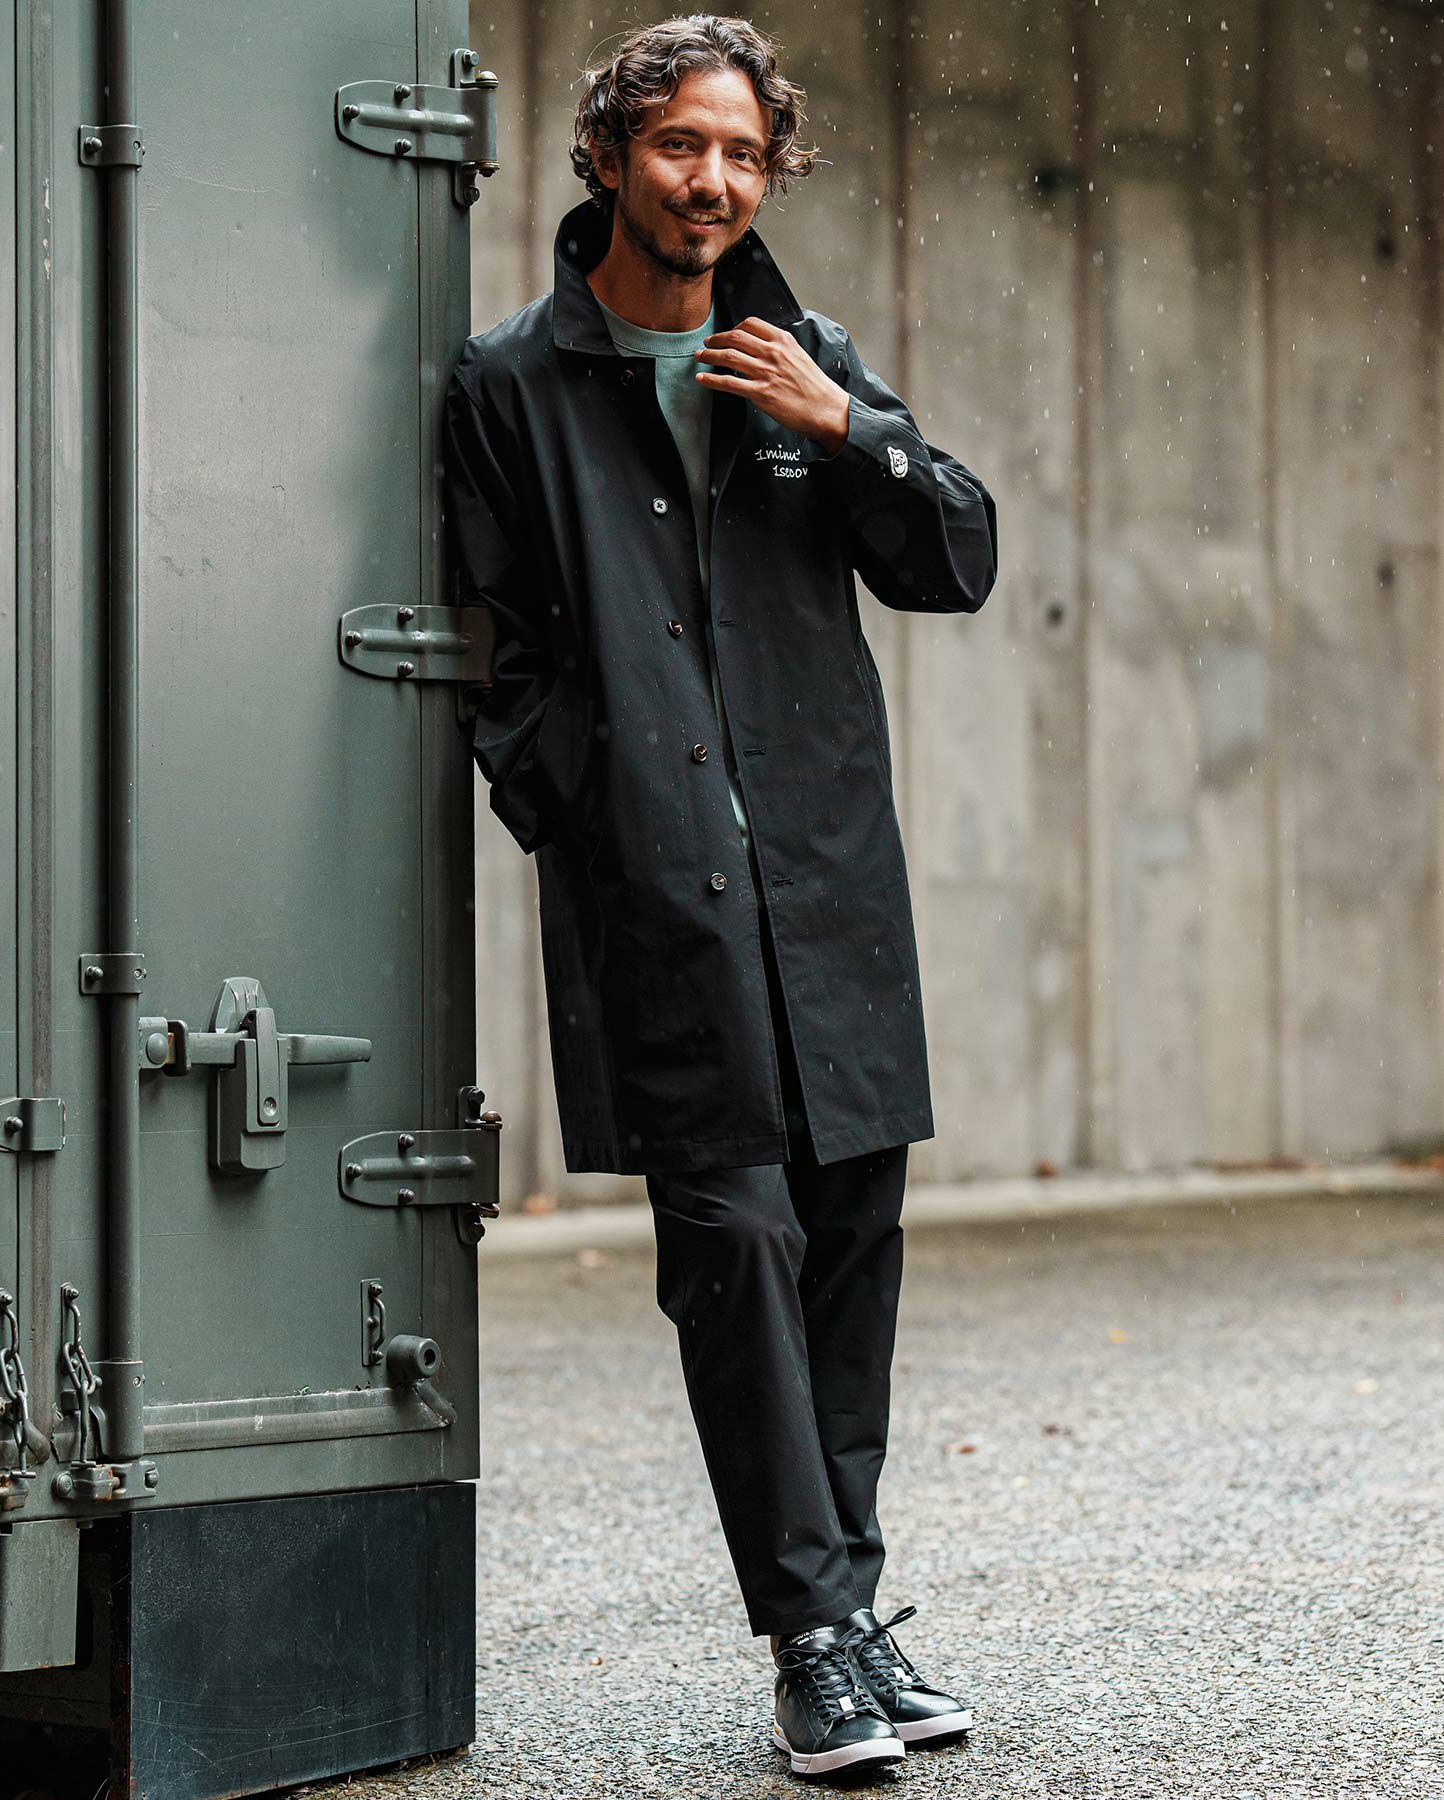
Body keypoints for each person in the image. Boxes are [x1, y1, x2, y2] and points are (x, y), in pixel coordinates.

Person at [443, 13, 997, 1780]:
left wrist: (855, 431)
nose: (714, 180)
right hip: (659, 893)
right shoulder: (511, 384)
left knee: (850, 1238)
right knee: (738, 1244)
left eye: (746, 153)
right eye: (682, 144)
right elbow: (495, 653)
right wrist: (586, 810)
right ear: (611, 154)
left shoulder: (802, 358)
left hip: (829, 886)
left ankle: (845, 1616)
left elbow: (957, 559)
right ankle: (814, 1636)